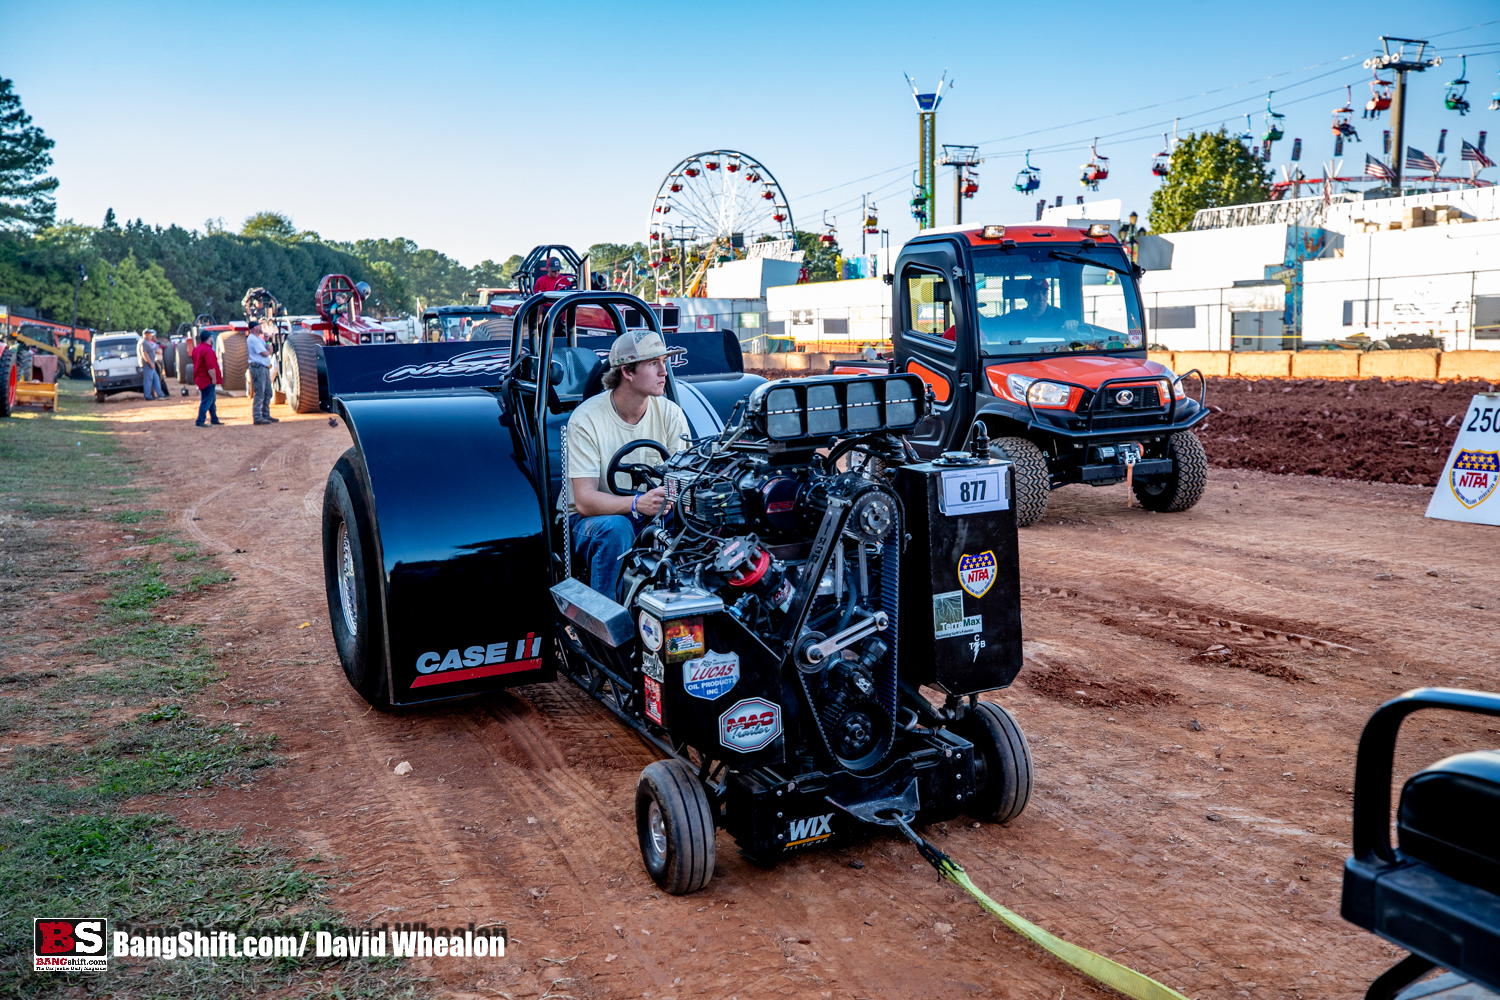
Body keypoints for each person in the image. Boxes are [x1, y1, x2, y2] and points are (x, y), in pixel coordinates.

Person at [561, 329, 689, 601]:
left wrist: (674, 499)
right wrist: (637, 503)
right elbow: (584, 502)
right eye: (653, 363)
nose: (664, 372)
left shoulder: (670, 413)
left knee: (700, 518)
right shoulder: (586, 418)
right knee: (616, 529)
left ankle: (686, 609)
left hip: (649, 513)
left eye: (664, 362)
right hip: (588, 521)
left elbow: (684, 480)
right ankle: (606, 621)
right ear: (627, 371)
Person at [245, 322, 278, 425]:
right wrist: (267, 350)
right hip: (258, 368)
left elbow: (270, 350)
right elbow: (265, 353)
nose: (261, 327)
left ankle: (265, 414)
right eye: (259, 326)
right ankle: (257, 416)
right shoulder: (253, 339)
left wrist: (267, 341)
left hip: (263, 368)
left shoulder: (259, 339)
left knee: (268, 392)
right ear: (255, 328)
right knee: (260, 393)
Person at [191, 329, 224, 426]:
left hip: (200, 378)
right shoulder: (208, 350)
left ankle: (214, 419)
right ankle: (200, 420)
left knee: (211, 400)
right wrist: (214, 379)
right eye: (211, 337)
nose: (212, 338)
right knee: (207, 401)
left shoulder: (197, 349)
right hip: (206, 379)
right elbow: (210, 367)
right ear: (209, 338)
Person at [138, 330, 167, 400]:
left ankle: (160, 394)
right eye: (150, 334)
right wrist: (151, 363)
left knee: (156, 379)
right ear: (146, 335)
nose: (151, 336)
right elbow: (144, 354)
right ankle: (148, 396)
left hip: (151, 365)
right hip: (147, 365)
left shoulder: (147, 342)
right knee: (148, 381)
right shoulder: (143, 342)